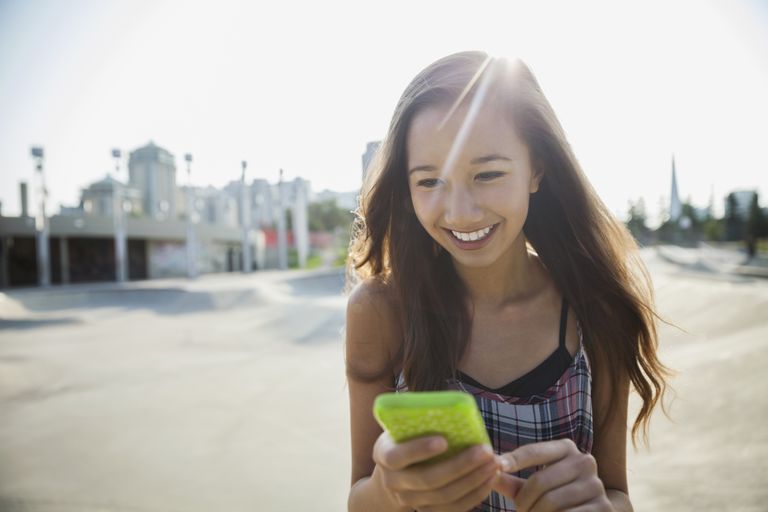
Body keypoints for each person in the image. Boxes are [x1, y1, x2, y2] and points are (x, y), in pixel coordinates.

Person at [345, 51, 669, 512]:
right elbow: (358, 499)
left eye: (489, 173)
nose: (460, 212)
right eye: (429, 181)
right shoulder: (379, 311)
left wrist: (600, 505)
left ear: (536, 168)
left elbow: (616, 494)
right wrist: (389, 489)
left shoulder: (597, 307)